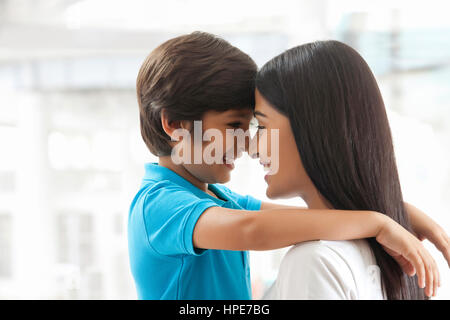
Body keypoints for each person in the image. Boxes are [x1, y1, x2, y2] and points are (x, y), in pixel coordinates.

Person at [128, 31, 445, 300]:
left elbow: (314, 219)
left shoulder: (221, 200)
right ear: (174, 124)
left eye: (253, 127)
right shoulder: (157, 205)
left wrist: (392, 211)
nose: (247, 143)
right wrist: (378, 223)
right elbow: (253, 231)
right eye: (233, 125)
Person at [254, 40, 449, 299]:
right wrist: (384, 215)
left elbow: (245, 223)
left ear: (313, 129)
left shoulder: (314, 261)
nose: (253, 148)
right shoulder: (387, 253)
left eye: (262, 127)